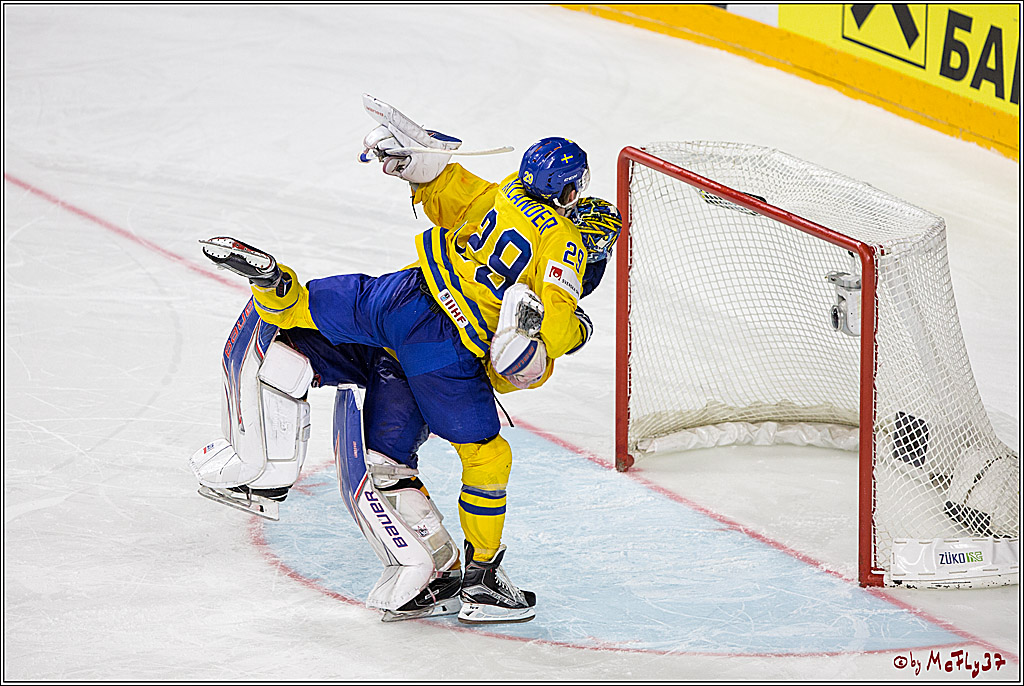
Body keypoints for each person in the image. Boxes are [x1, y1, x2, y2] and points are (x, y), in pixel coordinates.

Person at [190, 98, 621, 625]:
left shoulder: (506, 191)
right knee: (485, 457)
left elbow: (452, 192)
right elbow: (552, 321)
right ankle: (482, 581)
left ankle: (274, 312)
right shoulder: (565, 242)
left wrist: (417, 165)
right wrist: (575, 329)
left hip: (407, 294)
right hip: (443, 347)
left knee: (303, 312)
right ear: (573, 194)